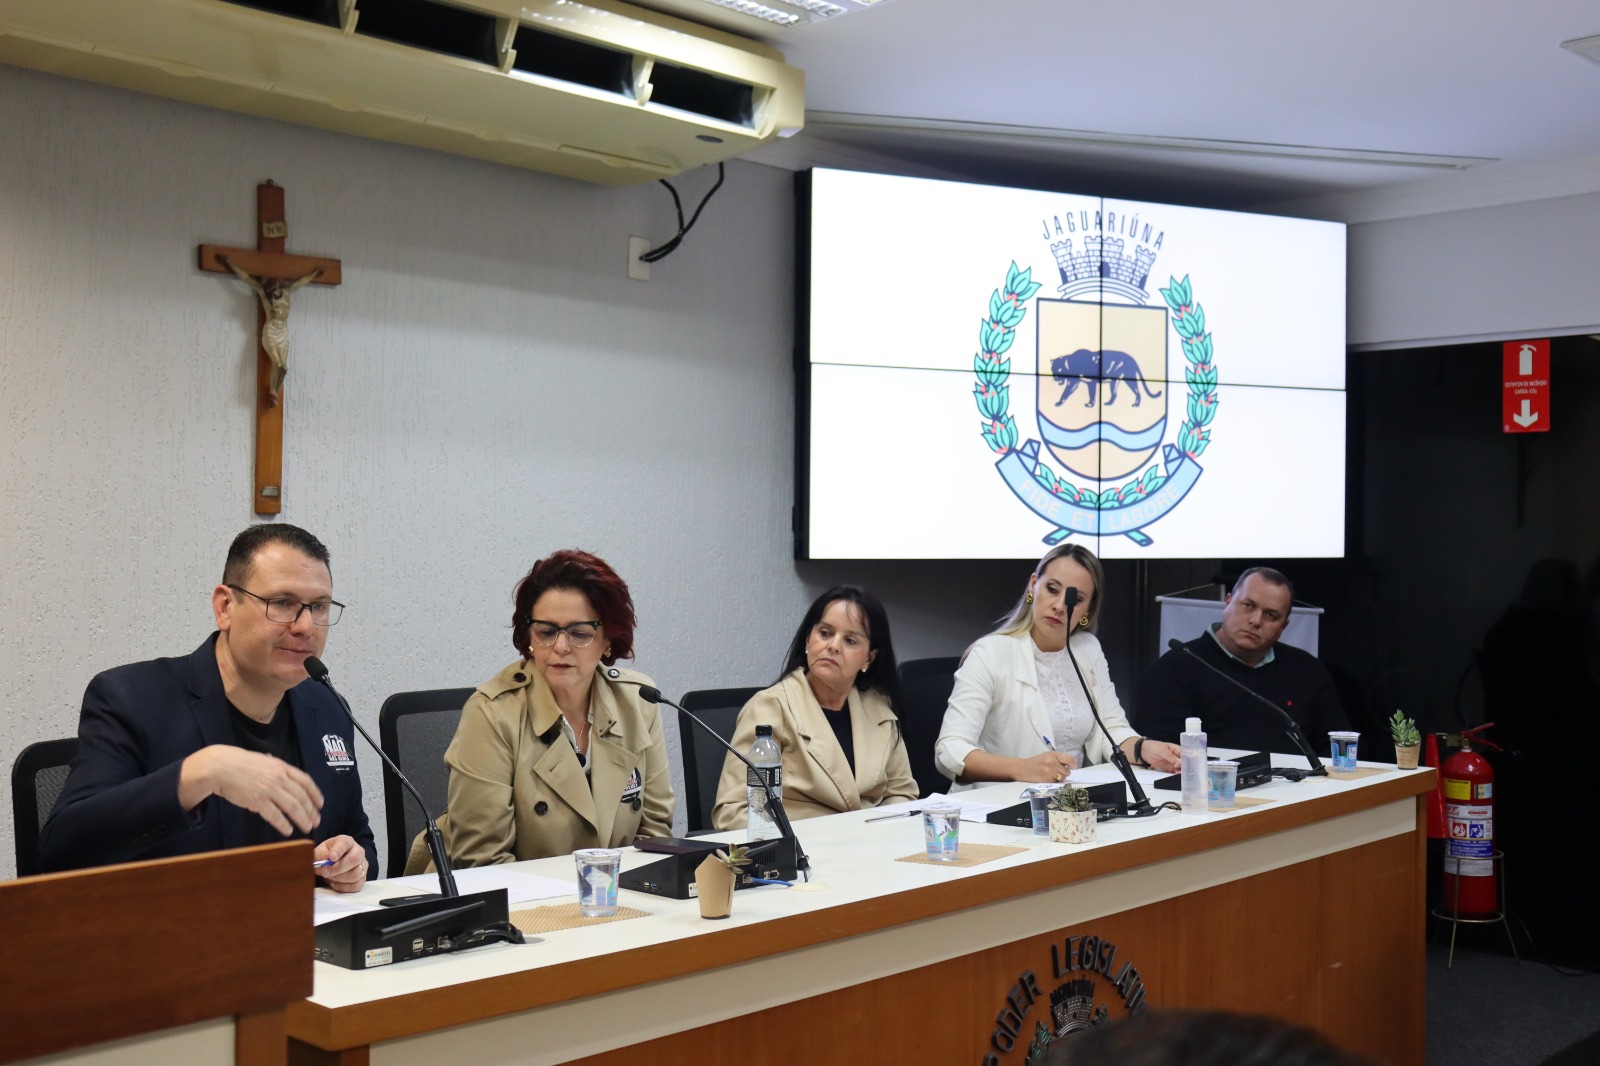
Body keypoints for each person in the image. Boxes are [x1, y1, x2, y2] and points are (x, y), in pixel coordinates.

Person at [38, 523, 374, 890]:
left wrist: (350, 862)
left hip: (298, 936)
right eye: (282, 603)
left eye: (319, 607)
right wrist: (198, 774)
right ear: (225, 606)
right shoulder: (131, 699)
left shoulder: (326, 706)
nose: (306, 626)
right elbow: (62, 850)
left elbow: (357, 837)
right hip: (171, 938)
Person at [435, 549, 673, 867]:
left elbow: (653, 839)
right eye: (546, 632)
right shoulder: (492, 713)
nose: (560, 647)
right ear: (529, 637)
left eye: (579, 633)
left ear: (608, 641)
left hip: (617, 902)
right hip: (522, 907)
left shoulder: (638, 702)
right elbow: (482, 862)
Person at [935, 544, 1181, 788]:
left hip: (1070, 806)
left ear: (1088, 609)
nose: (1060, 606)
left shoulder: (1088, 649)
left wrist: (1143, 748)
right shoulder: (990, 653)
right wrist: (1022, 768)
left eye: (1075, 598)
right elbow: (950, 749)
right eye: (1052, 589)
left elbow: (1111, 728)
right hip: (996, 806)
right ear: (1033, 585)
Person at [711, 586, 918, 828]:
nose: (833, 646)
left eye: (850, 640)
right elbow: (733, 812)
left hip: (871, 849)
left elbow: (902, 794)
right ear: (809, 639)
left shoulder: (879, 708)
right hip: (800, 852)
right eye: (825, 633)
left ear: (869, 658)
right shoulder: (771, 708)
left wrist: (881, 835)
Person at [1134, 567, 1348, 754]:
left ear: (1284, 626)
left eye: (1271, 615)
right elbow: (1160, 750)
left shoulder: (1306, 669)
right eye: (1248, 605)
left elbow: (1338, 746)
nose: (1256, 621)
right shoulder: (1176, 667)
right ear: (1227, 603)